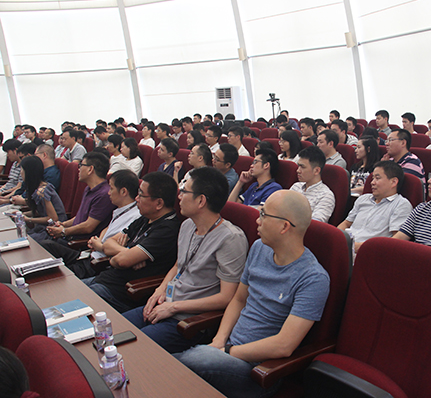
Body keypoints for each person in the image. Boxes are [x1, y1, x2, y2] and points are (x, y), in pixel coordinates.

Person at [175, 190, 330, 398]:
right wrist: (219, 340)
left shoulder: (313, 278)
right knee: (177, 367)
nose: (257, 220)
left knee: (185, 363)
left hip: (259, 370)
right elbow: (239, 300)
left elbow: (284, 346)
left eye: (263, 215)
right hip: (225, 351)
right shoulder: (259, 248)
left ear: (284, 226)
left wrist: (227, 352)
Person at [122, 167, 248, 353]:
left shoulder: (230, 238)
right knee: (116, 329)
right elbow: (178, 265)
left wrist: (173, 307)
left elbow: (226, 297)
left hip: (190, 321)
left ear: (201, 200)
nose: (179, 196)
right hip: (166, 305)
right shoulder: (188, 225)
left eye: (184, 191)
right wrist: (160, 289)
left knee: (132, 349)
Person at [81, 172, 181, 313]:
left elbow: (120, 261)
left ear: (159, 203)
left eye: (141, 195)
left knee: (70, 303)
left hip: (119, 294)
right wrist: (128, 252)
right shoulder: (145, 218)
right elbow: (108, 243)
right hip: (103, 279)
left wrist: (121, 256)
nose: (136, 198)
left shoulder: (167, 229)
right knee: (65, 292)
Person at [41, 170, 141, 279]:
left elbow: (116, 245)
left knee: (56, 275)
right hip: (89, 254)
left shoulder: (135, 217)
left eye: (111, 188)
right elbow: (107, 229)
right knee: (46, 245)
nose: (109, 193)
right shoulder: (122, 209)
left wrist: (100, 246)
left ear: (123, 192)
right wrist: (98, 241)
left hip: (97, 263)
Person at [339, 161, 412, 251]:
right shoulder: (363, 199)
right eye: (372, 178)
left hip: (368, 252)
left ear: (393, 182)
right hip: (346, 246)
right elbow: (346, 223)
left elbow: (395, 241)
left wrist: (354, 247)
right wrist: (337, 238)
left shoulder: (401, 205)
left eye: (377, 178)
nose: (372, 182)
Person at [45, 152, 115, 242]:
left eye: (81, 165)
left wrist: (64, 231)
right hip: (70, 236)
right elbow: (80, 217)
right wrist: (63, 224)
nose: (79, 169)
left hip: (79, 243)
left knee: (43, 243)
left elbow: (88, 226)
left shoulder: (104, 194)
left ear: (90, 169)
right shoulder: (88, 189)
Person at [19, 156, 67, 242]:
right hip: (44, 227)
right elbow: (41, 211)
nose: (21, 173)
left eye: (22, 170)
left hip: (54, 229)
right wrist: (22, 214)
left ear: (28, 172)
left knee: (27, 240)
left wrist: (28, 219)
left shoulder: (42, 192)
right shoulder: (37, 188)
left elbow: (53, 218)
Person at [290, 146, 335, 223]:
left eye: (302, 167)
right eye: (298, 166)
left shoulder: (326, 195)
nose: (298, 170)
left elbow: (315, 224)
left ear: (316, 171)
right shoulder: (296, 186)